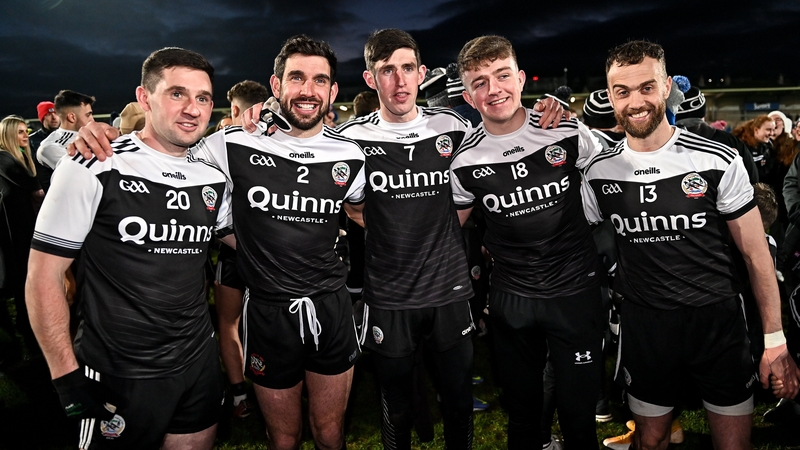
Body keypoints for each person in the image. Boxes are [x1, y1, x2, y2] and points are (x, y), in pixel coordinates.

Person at [70, 35, 366, 450]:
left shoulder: (351, 154)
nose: (307, 90)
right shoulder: (228, 144)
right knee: (284, 438)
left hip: (331, 308)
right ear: (276, 86)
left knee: (331, 434)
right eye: (296, 77)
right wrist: (107, 133)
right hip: (267, 310)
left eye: (320, 80)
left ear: (333, 91)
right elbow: (163, 153)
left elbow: (358, 212)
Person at [582, 39, 799, 449]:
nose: (636, 101)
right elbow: (580, 241)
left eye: (647, 87)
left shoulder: (717, 159)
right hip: (647, 328)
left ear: (666, 87)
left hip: (718, 325)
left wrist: (775, 341)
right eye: (622, 91)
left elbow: (756, 255)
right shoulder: (597, 172)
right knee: (650, 441)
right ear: (611, 97)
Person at [26, 47, 231, 449]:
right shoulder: (94, 162)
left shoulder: (212, 178)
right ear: (144, 97)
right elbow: (42, 275)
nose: (193, 108)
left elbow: (246, 241)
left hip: (197, 365)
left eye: (203, 98)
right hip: (119, 372)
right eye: (177, 94)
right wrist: (65, 377)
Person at [450, 35, 604, 449]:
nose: (493, 88)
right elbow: (449, 228)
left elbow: (614, 178)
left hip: (575, 293)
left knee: (579, 419)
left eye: (502, 75)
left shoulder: (567, 130)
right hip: (513, 300)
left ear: (520, 79)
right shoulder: (464, 160)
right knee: (522, 419)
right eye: (480, 82)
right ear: (468, 95)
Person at [216, 79, 269, 419]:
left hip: (235, 250)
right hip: (267, 252)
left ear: (234, 110)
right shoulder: (278, 143)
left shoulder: (214, 147)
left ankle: (240, 396)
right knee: (266, 320)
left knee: (229, 322)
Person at [0, 115, 42, 350]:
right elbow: (36, 190)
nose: (26, 136)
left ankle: (24, 329)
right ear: (8, 135)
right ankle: (22, 333)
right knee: (19, 281)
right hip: (11, 232)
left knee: (22, 281)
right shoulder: (5, 160)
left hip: (20, 228)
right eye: (20, 132)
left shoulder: (16, 158)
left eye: (26, 131)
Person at [36, 90, 95, 177]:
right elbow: (89, 173)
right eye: (88, 115)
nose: (92, 119)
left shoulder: (93, 133)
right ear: (72, 117)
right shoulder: (50, 147)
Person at [29, 101, 61, 191]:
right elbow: (30, 167)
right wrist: (38, 187)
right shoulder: (31, 140)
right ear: (42, 118)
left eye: (56, 113)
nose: (54, 117)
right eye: (48, 114)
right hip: (44, 188)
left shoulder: (68, 136)